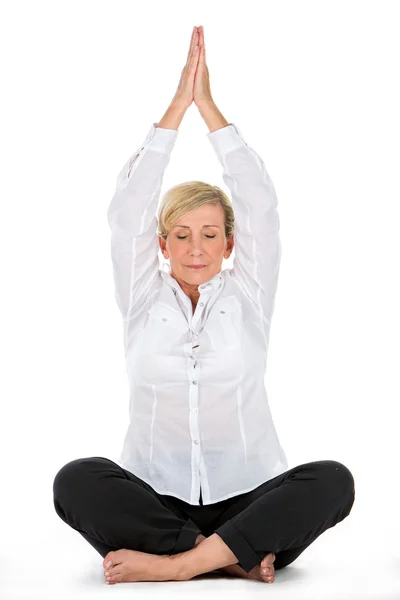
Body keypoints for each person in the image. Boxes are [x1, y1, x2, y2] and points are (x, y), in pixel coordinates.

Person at [53, 25, 355, 585]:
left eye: (211, 234)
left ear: (230, 243)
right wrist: (175, 109)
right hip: (156, 505)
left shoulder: (249, 294)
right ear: (161, 244)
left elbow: (260, 205)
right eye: (182, 234)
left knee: (333, 480)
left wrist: (209, 109)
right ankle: (228, 558)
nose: (197, 248)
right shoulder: (142, 296)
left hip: (249, 506)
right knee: (75, 481)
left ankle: (182, 564)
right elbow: (127, 213)